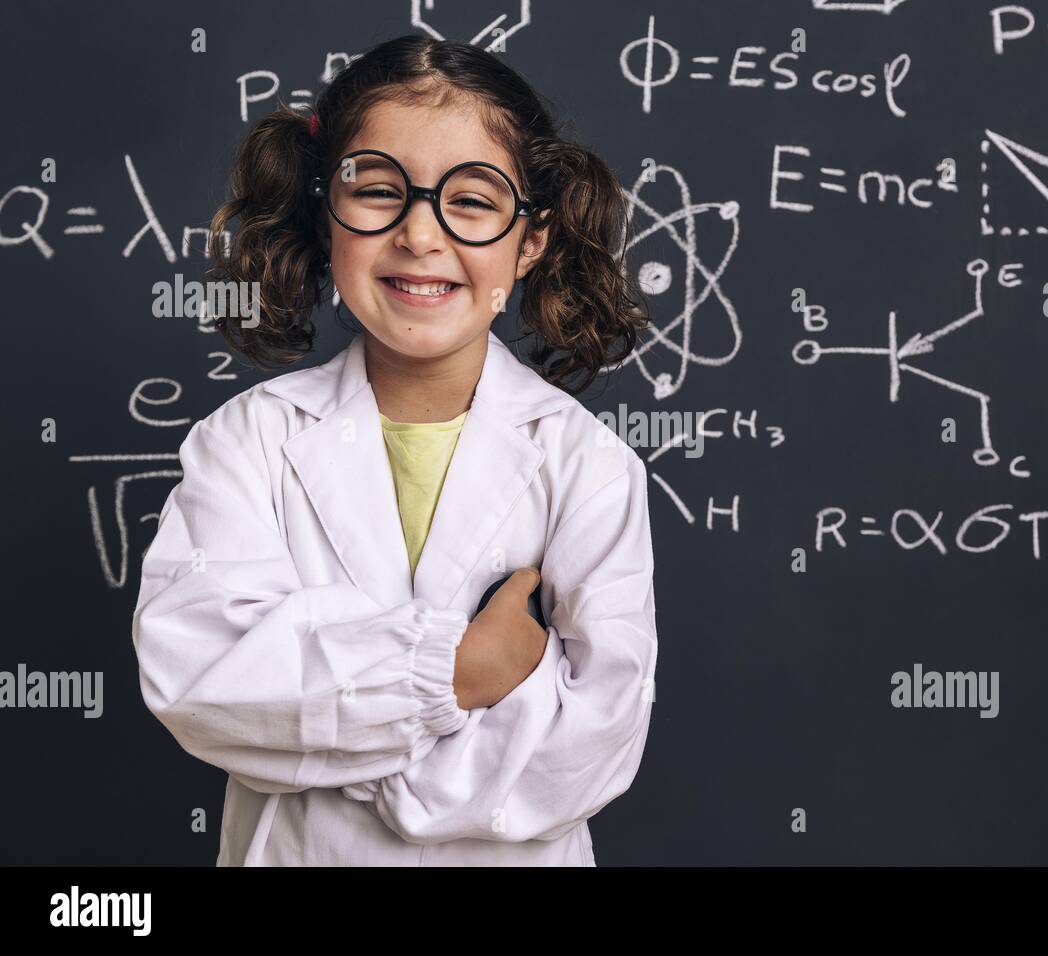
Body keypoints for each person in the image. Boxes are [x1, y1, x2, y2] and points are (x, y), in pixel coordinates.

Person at [131, 35, 657, 866]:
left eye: (474, 201)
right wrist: (457, 676)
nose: (420, 234)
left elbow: (594, 740)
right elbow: (200, 683)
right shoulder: (244, 444)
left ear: (531, 242)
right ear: (323, 216)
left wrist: (348, 740)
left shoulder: (588, 466)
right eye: (378, 191)